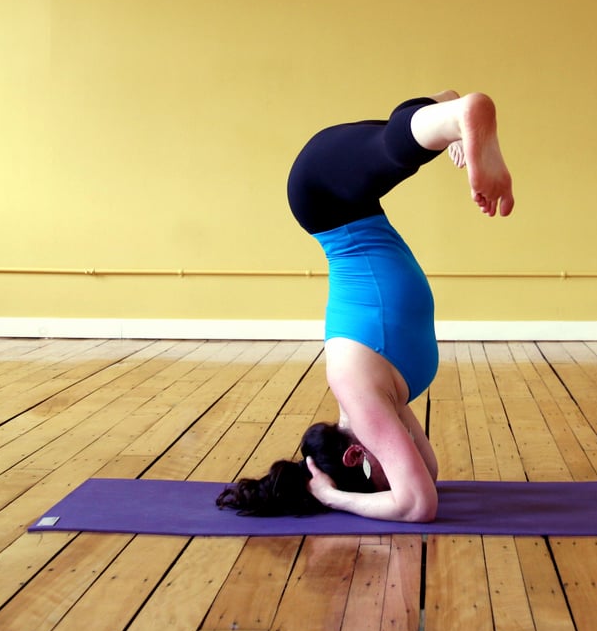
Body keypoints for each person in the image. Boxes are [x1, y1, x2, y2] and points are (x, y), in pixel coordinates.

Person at [216, 90, 514, 521]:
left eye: (381, 477)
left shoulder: (360, 400)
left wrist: (334, 498)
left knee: (394, 149)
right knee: (397, 139)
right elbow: (427, 476)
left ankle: (457, 116)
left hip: (321, 196)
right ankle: (443, 114)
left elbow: (417, 503)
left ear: (357, 456)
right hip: (345, 199)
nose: (394, 476)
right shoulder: (382, 403)